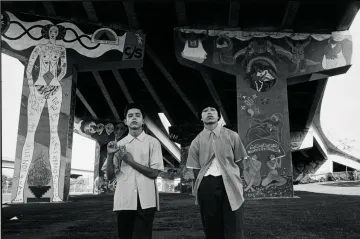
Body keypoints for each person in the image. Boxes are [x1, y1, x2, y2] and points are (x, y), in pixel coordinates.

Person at [186, 102, 248, 239]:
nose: (209, 112)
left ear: (219, 116)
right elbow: (196, 170)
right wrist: (205, 183)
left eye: (212, 110)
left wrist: (234, 177)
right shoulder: (196, 141)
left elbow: (240, 163)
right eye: (205, 111)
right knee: (211, 226)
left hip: (231, 183)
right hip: (207, 184)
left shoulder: (232, 136)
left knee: (234, 225)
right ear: (201, 118)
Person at [102, 103, 164, 239]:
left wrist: (130, 162)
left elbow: (154, 173)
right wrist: (111, 155)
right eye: (130, 116)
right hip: (124, 199)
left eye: (138, 115)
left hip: (146, 200)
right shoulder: (118, 145)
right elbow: (110, 176)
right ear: (126, 121)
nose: (134, 118)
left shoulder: (153, 143)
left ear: (143, 120)